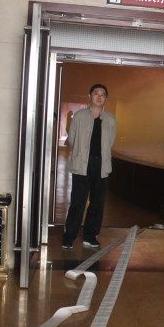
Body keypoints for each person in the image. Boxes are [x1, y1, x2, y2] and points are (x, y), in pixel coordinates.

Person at [62, 84, 116, 249]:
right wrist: (81, 153)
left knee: (97, 203)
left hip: (101, 165)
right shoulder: (79, 116)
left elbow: (111, 141)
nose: (99, 97)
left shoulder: (110, 119)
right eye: (96, 93)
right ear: (90, 96)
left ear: (106, 98)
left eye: (102, 94)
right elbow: (72, 137)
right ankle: (69, 237)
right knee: (78, 202)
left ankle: (90, 236)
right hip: (82, 164)